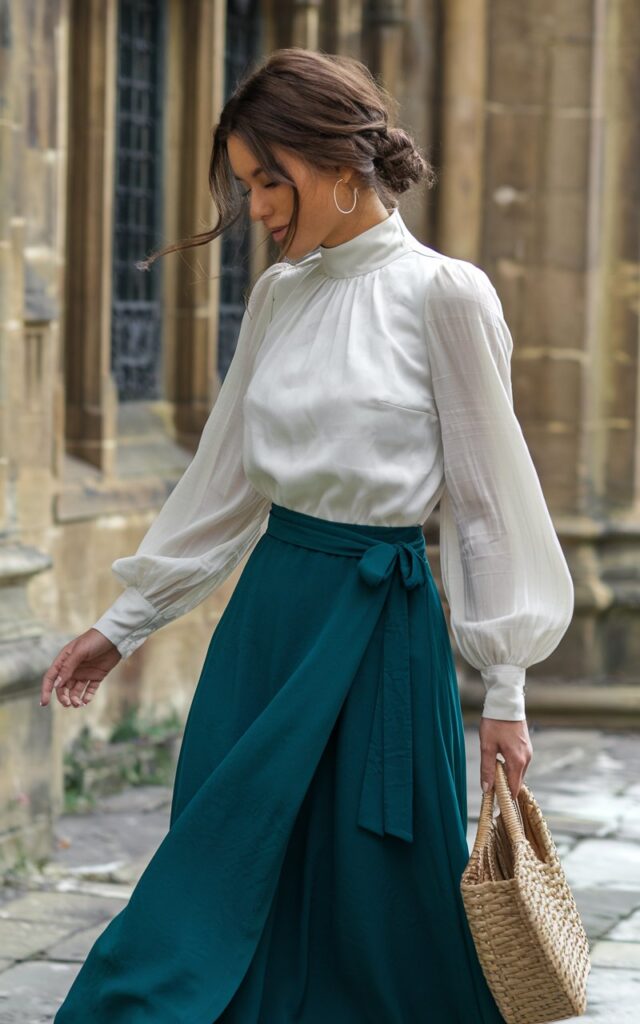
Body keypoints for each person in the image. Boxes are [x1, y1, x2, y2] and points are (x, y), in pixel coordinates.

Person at [43, 48, 574, 1023]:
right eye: (245, 186)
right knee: (215, 870)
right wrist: (123, 622)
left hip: (379, 635)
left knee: (372, 905)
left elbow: (488, 505)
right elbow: (224, 484)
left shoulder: (446, 296)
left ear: (340, 166)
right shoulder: (281, 297)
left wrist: (505, 690)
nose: (253, 208)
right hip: (269, 621)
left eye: (267, 181)